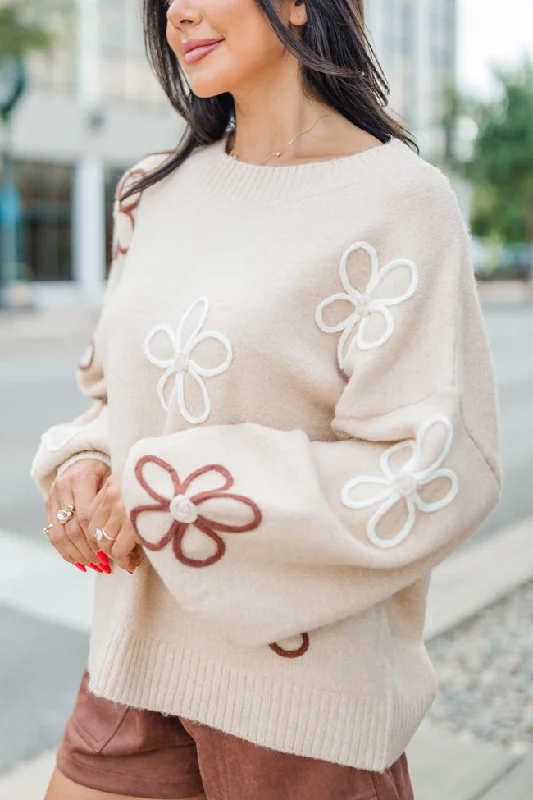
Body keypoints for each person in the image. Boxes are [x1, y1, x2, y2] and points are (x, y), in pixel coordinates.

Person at [31, 1, 502, 798]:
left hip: (304, 702)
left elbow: (426, 469)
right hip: (132, 663)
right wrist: (85, 458)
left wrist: (166, 490)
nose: (178, 12)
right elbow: (121, 401)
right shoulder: (150, 192)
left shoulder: (399, 202)